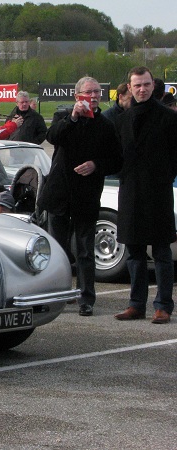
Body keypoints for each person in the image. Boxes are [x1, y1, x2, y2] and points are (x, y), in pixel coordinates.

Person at [37, 76, 123, 317]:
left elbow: (116, 159)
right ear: (77, 96)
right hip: (60, 193)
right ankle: (56, 295)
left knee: (85, 249)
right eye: (88, 93)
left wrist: (96, 165)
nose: (93, 96)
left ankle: (86, 297)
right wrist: (73, 117)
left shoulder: (106, 125)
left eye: (97, 92)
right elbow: (53, 137)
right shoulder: (64, 118)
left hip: (86, 194)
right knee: (58, 248)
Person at [114, 66, 177, 324]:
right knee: (135, 253)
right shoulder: (121, 120)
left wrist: (162, 177)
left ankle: (163, 305)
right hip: (130, 193)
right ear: (130, 87)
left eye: (146, 84)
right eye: (137, 85)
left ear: (153, 86)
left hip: (158, 193)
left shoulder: (169, 118)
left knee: (161, 252)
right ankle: (136, 304)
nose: (142, 89)